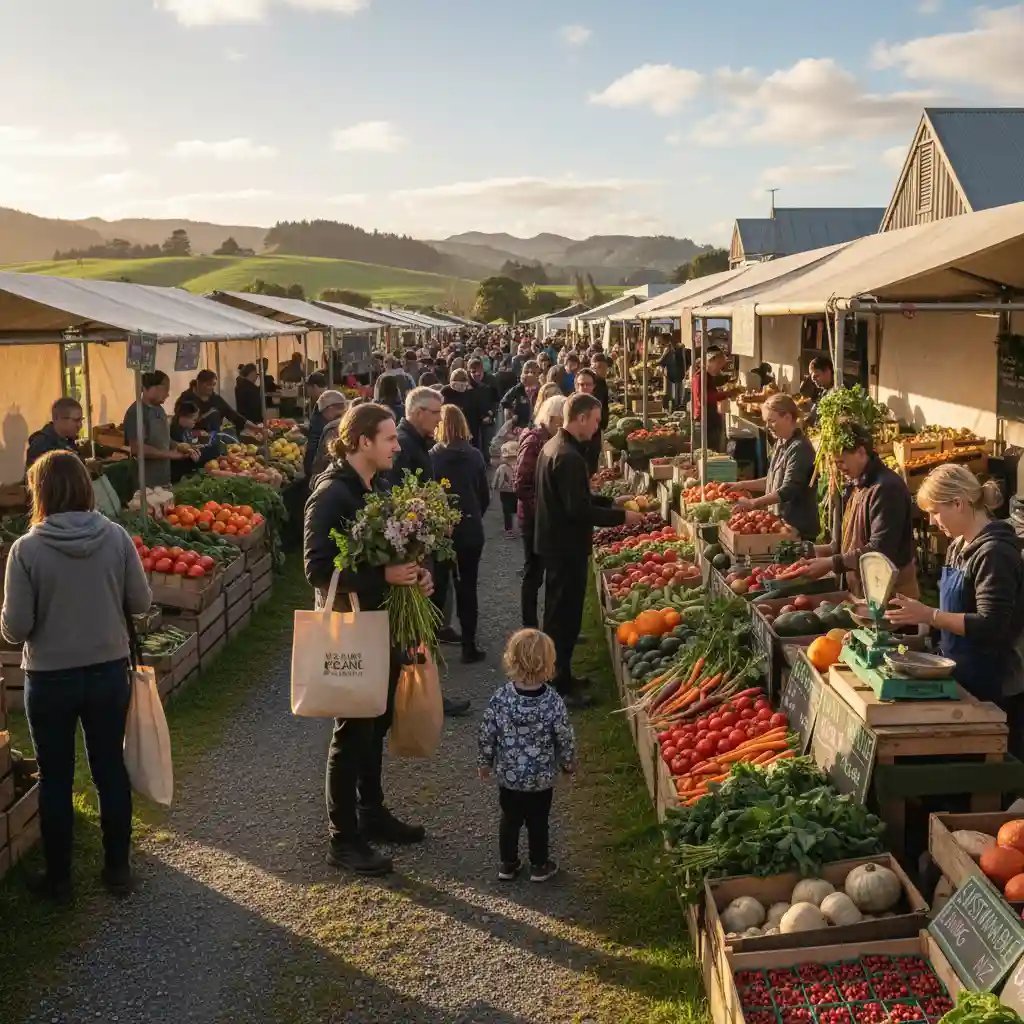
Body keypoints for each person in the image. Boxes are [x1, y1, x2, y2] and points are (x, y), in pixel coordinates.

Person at [1, 451, 152, 900]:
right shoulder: (116, 536)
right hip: (108, 672)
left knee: (55, 777)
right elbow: (142, 603)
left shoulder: (26, 550)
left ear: (40, 493)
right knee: (109, 768)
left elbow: (16, 629)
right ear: (86, 487)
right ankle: (118, 869)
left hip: (50, 678)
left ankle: (60, 879)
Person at [304, 404, 433, 876]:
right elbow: (317, 570)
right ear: (361, 442)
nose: (397, 445)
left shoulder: (372, 486)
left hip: (379, 624)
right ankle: (343, 838)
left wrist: (414, 575)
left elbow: (392, 554)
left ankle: (371, 812)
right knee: (352, 731)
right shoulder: (331, 495)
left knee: (376, 724)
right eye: (388, 439)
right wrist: (383, 574)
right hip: (352, 630)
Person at [885, 466, 1024, 718]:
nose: (931, 521)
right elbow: (953, 612)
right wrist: (914, 640)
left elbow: (991, 624)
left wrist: (929, 615)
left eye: (935, 512)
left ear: (958, 503)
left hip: (993, 688)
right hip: (959, 676)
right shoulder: (958, 546)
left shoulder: (995, 554)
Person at [535, 393, 641, 706]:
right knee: (563, 618)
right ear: (581, 418)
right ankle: (558, 685)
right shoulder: (568, 457)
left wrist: (611, 501)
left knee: (561, 614)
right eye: (595, 421)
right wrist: (622, 518)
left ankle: (562, 675)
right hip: (564, 547)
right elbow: (578, 510)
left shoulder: (554, 446)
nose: (597, 427)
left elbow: (578, 499)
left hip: (556, 544)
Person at [478, 629, 576, 883]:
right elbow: (564, 736)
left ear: (511, 660)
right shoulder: (552, 701)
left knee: (509, 819)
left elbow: (488, 731)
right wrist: (568, 763)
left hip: (509, 776)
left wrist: (485, 761)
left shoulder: (502, 698)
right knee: (538, 821)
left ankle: (508, 864)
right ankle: (539, 864)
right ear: (549, 663)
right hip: (540, 778)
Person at [799, 420, 918, 598]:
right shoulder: (858, 483)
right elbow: (853, 540)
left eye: (841, 461)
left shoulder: (886, 489)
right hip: (869, 589)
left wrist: (832, 563)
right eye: (835, 463)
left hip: (891, 594)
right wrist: (819, 552)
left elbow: (880, 549)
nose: (839, 468)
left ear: (862, 452)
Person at [429, 405, 489, 664]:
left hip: (440, 528)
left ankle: (430, 643)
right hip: (470, 526)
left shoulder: (432, 457)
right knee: (468, 586)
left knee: (438, 587)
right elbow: (484, 495)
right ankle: (469, 643)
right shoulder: (474, 456)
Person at [733, 394, 818, 540]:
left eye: (771, 421)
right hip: (780, 526)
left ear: (787, 418)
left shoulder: (800, 448)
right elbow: (773, 479)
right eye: (766, 422)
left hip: (797, 530)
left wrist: (754, 502)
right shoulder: (781, 442)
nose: (768, 427)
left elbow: (787, 490)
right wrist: (741, 485)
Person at [515, 395, 565, 629]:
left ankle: (551, 624)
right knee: (534, 574)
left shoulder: (547, 438)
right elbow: (522, 484)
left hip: (542, 518)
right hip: (534, 520)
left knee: (550, 573)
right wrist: (543, 510)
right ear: (553, 418)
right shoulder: (535, 441)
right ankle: (530, 625)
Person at [124, 370, 193, 489]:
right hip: (145, 483)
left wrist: (182, 447)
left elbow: (165, 439)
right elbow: (137, 448)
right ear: (150, 388)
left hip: (163, 478)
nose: (167, 394)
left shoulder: (160, 410)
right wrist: (168, 454)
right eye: (165, 389)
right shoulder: (136, 412)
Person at [176, 370, 250, 438]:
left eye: (213, 384)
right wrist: (197, 433)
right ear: (198, 383)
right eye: (209, 384)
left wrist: (255, 428)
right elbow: (181, 429)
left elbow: (232, 415)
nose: (212, 388)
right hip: (192, 443)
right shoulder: (186, 399)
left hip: (213, 438)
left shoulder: (215, 399)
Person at [25, 398, 84, 473]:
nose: (80, 425)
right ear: (57, 418)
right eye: (76, 420)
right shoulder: (42, 445)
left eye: (81, 420)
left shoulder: (68, 441)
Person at [691, 345, 730, 453]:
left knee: (713, 453)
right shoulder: (700, 377)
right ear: (710, 361)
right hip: (704, 421)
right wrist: (727, 393)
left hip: (710, 420)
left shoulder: (708, 376)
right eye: (718, 364)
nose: (719, 369)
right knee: (706, 454)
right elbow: (703, 397)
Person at [308, 391, 350, 479]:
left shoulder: (331, 428)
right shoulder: (351, 422)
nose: (323, 416)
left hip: (331, 478)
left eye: (323, 412)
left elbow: (322, 459)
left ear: (330, 408)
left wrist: (313, 479)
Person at [573, 368, 603, 477]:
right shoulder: (570, 405)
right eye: (581, 384)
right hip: (576, 451)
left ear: (594, 386)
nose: (585, 388)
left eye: (588, 384)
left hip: (592, 449)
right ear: (576, 386)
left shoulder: (597, 404)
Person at [440, 368, 483, 444]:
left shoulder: (470, 394)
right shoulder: (445, 392)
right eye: (455, 385)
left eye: (463, 385)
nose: (460, 388)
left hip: (468, 427)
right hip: (449, 426)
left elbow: (474, 413)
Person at [168, 399, 204, 484]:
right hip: (176, 475)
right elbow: (179, 448)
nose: (194, 423)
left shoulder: (184, 429)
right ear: (183, 416)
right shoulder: (173, 431)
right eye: (193, 419)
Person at [302, 372, 330, 479]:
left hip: (317, 451)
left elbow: (319, 430)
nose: (308, 392)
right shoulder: (325, 400)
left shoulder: (324, 403)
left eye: (308, 388)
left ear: (314, 387)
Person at [469, 357, 499, 454]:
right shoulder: (468, 382)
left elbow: (497, 399)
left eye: (478, 372)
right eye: (472, 372)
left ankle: (487, 461)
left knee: (487, 441)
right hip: (473, 416)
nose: (476, 375)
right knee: (474, 441)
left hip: (488, 415)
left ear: (482, 370)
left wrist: (492, 414)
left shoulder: (491, 380)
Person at [501, 361, 541, 428]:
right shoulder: (519, 388)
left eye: (533, 372)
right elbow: (504, 401)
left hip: (536, 424)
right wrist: (512, 414)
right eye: (526, 372)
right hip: (520, 425)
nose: (529, 375)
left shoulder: (542, 388)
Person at [493, 440, 519, 537]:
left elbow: (496, 479)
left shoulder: (504, 467)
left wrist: (494, 486)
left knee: (509, 509)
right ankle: (509, 527)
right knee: (508, 509)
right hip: (507, 491)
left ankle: (510, 527)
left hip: (507, 491)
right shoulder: (503, 467)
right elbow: (497, 478)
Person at [802, 355, 834, 427]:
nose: (813, 380)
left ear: (827, 371)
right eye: (813, 378)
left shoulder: (839, 391)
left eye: (816, 376)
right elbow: (814, 413)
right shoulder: (823, 392)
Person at [660, 333, 689, 412]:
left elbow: (662, 361)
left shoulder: (674, 348)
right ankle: (677, 406)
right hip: (676, 371)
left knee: (675, 391)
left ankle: (676, 407)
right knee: (677, 391)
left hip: (675, 371)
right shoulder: (678, 347)